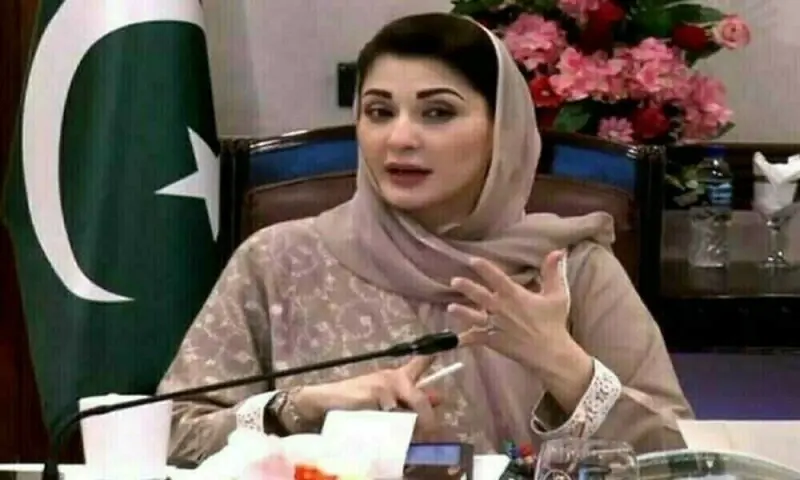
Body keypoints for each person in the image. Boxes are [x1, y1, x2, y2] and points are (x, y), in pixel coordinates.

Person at [157, 12, 694, 465]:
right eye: (379, 112)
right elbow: (172, 437)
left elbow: (680, 461)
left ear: (502, 130)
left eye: (438, 112)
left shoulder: (570, 269)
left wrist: (560, 361)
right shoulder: (279, 260)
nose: (399, 138)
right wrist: (303, 408)